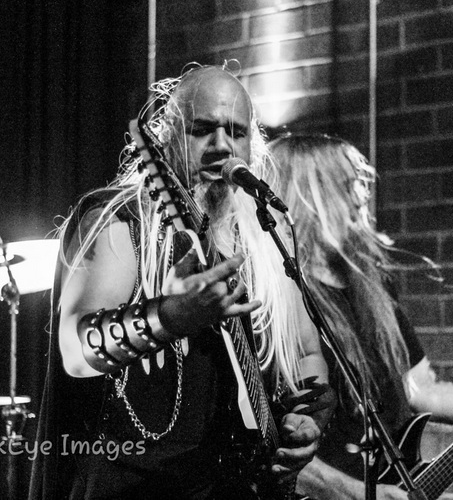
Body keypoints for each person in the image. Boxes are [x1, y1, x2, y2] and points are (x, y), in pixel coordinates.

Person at [29, 65, 332, 500]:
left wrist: (307, 421)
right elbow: (77, 351)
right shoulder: (119, 221)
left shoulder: (266, 237)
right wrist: (171, 317)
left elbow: (306, 353)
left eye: (236, 132)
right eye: (202, 130)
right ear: (166, 137)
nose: (221, 145)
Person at [266, 134, 453, 500]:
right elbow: (271, 447)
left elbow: (421, 389)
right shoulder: (278, 296)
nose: (362, 197)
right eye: (348, 184)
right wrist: (356, 494)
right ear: (309, 196)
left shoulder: (372, 284)